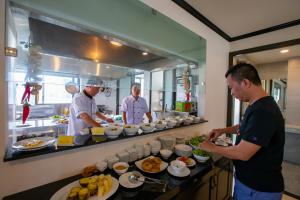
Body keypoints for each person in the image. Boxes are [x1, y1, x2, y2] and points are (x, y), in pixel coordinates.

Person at [200, 63, 285, 200]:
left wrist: (212, 147)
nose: (231, 92)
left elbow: (242, 153)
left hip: (258, 189)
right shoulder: (257, 105)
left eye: (231, 87)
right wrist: (223, 130)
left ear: (245, 82)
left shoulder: (263, 111)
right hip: (250, 184)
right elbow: (245, 127)